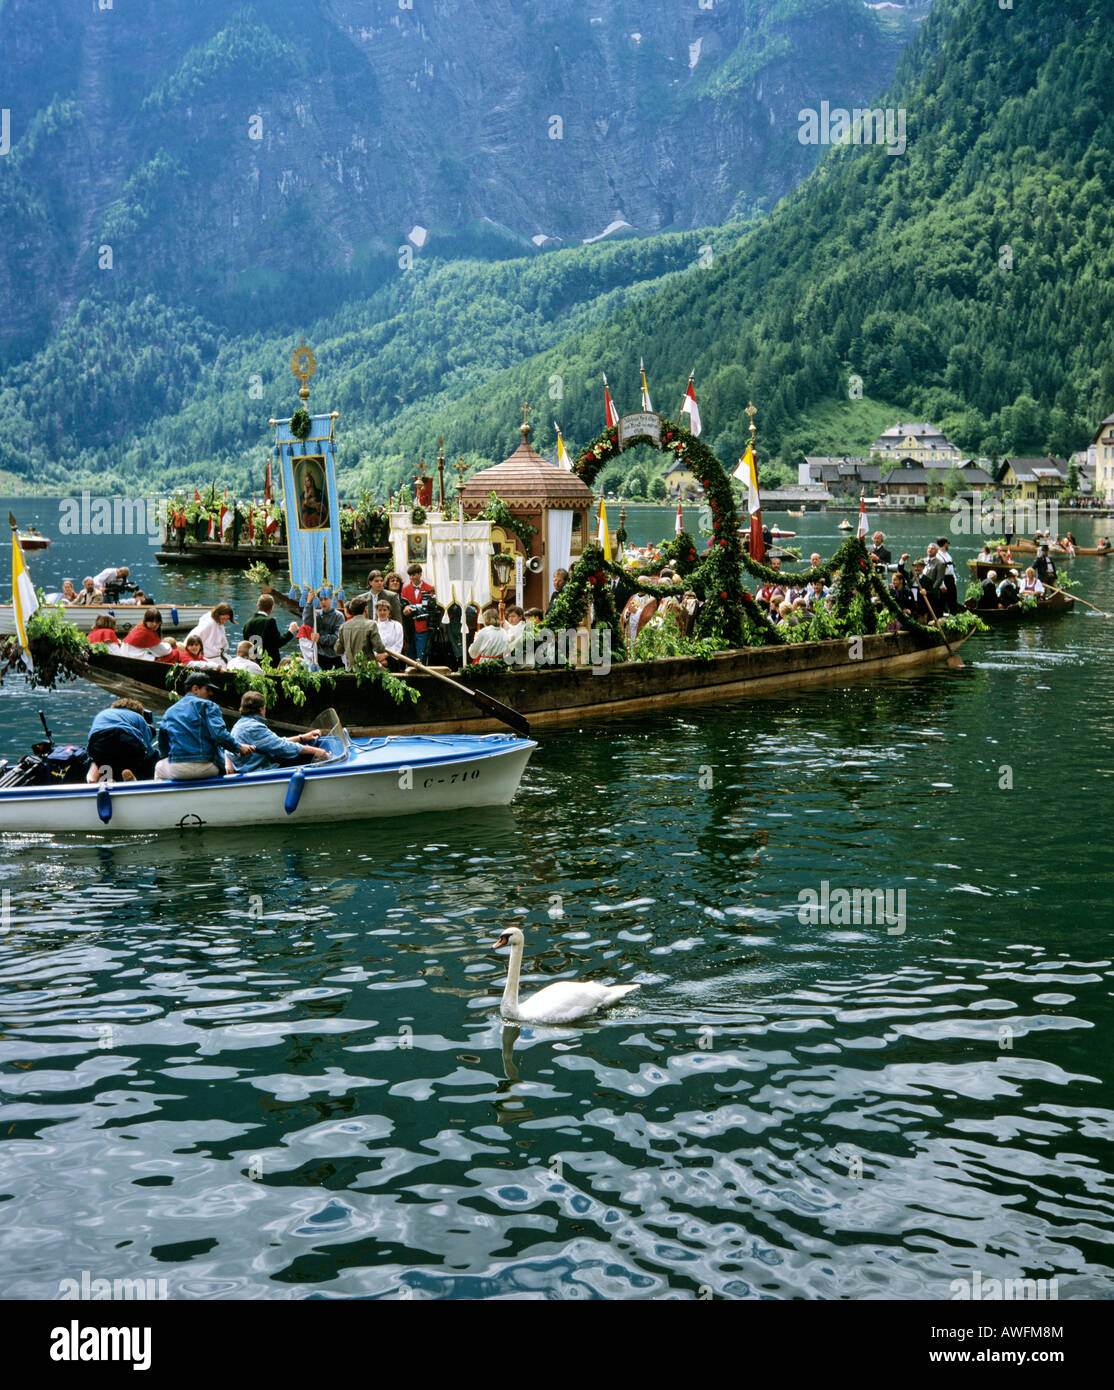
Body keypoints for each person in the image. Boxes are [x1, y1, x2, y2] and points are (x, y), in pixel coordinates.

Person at [155, 671, 252, 780]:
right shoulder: (209, 705)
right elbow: (219, 735)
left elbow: (163, 747)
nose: (211, 693)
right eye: (207, 689)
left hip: (178, 769)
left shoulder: (169, 712)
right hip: (208, 767)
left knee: (159, 767)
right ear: (195, 689)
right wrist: (239, 748)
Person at [227, 691, 331, 773]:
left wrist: (302, 737)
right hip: (259, 771)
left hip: (251, 768)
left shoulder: (241, 724)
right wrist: (316, 751)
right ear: (261, 709)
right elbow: (282, 746)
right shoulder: (253, 727)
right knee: (307, 756)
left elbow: (274, 742)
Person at [85, 698, 159, 783]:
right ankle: (144, 781)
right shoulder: (138, 716)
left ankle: (108, 779)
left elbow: (91, 739)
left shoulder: (102, 714)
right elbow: (149, 750)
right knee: (151, 756)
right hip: (125, 737)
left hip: (99, 742)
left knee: (105, 761)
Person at [333, 595, 389, 668]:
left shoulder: (343, 626)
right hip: (369, 669)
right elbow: (379, 648)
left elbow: (338, 650)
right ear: (365, 609)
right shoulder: (371, 625)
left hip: (351, 669)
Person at [243, 594, 297, 665]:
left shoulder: (248, 623)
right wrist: (290, 631)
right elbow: (278, 643)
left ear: (257, 606)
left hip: (252, 663)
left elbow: (246, 645)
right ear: (272, 608)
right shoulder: (270, 621)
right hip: (269, 664)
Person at [401, 564, 436, 661]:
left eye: (414, 575)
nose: (412, 577)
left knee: (422, 656)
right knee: (409, 657)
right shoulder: (404, 590)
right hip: (409, 629)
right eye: (410, 575)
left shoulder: (430, 589)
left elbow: (429, 608)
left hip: (423, 627)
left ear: (420, 574)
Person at [937, 537, 959, 613]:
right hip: (944, 579)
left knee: (953, 601)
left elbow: (951, 569)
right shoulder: (938, 555)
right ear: (945, 544)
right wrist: (942, 585)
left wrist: (954, 580)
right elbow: (939, 572)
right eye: (947, 544)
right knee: (942, 601)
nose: (948, 545)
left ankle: (954, 617)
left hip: (950, 579)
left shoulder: (948, 555)